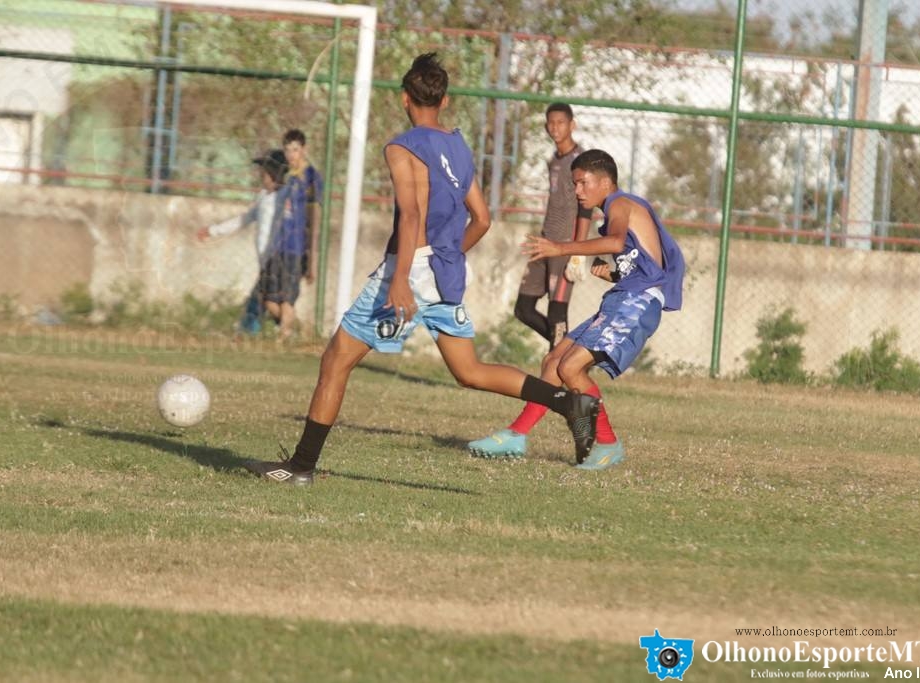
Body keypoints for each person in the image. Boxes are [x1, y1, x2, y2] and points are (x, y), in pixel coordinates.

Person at [244, 53, 599, 485]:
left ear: (404, 98)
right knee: (470, 372)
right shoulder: (458, 145)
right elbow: (482, 219)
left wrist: (401, 281)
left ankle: (300, 467)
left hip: (409, 269)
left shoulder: (402, 147)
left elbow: (411, 215)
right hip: (444, 272)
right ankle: (569, 403)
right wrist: (445, 256)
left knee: (335, 361)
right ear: (444, 101)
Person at [467, 149, 685, 470]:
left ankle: (607, 444)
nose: (578, 191)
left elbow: (616, 243)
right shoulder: (618, 209)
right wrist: (613, 275)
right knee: (553, 361)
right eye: (574, 184)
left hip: (636, 302)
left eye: (583, 183)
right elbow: (648, 262)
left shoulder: (620, 203)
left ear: (605, 182)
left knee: (570, 368)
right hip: (623, 296)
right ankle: (517, 434)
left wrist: (562, 248)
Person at [513, 103, 593, 350]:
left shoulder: (580, 161)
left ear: (572, 125)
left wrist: (578, 252)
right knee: (523, 309)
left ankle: (560, 367)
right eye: (551, 123)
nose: (555, 128)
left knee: (557, 313)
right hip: (545, 242)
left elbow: (586, 208)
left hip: (565, 246)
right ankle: (568, 352)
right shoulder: (554, 160)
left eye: (561, 123)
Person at [197, 149, 289, 335]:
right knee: (264, 300)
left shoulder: (285, 197)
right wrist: (213, 230)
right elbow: (244, 219)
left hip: (278, 259)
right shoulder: (264, 197)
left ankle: (281, 328)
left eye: (264, 171)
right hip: (264, 261)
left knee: (263, 300)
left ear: (274, 172)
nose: (261, 175)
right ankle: (262, 330)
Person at [265, 128, 324, 340]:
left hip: (297, 249)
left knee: (287, 300)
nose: (291, 155)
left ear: (304, 150)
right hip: (277, 246)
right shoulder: (284, 176)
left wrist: (312, 258)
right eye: (288, 150)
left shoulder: (311, 177)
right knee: (270, 301)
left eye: (295, 150)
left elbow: (315, 219)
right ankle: (295, 329)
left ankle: (281, 341)